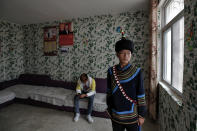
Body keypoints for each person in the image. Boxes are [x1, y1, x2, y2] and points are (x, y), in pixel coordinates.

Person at [106, 37, 146, 131]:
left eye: (128, 53)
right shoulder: (111, 71)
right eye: (123, 53)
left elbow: (141, 94)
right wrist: (110, 109)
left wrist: (141, 115)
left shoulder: (137, 72)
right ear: (117, 54)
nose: (126, 56)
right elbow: (109, 92)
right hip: (116, 115)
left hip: (132, 116)